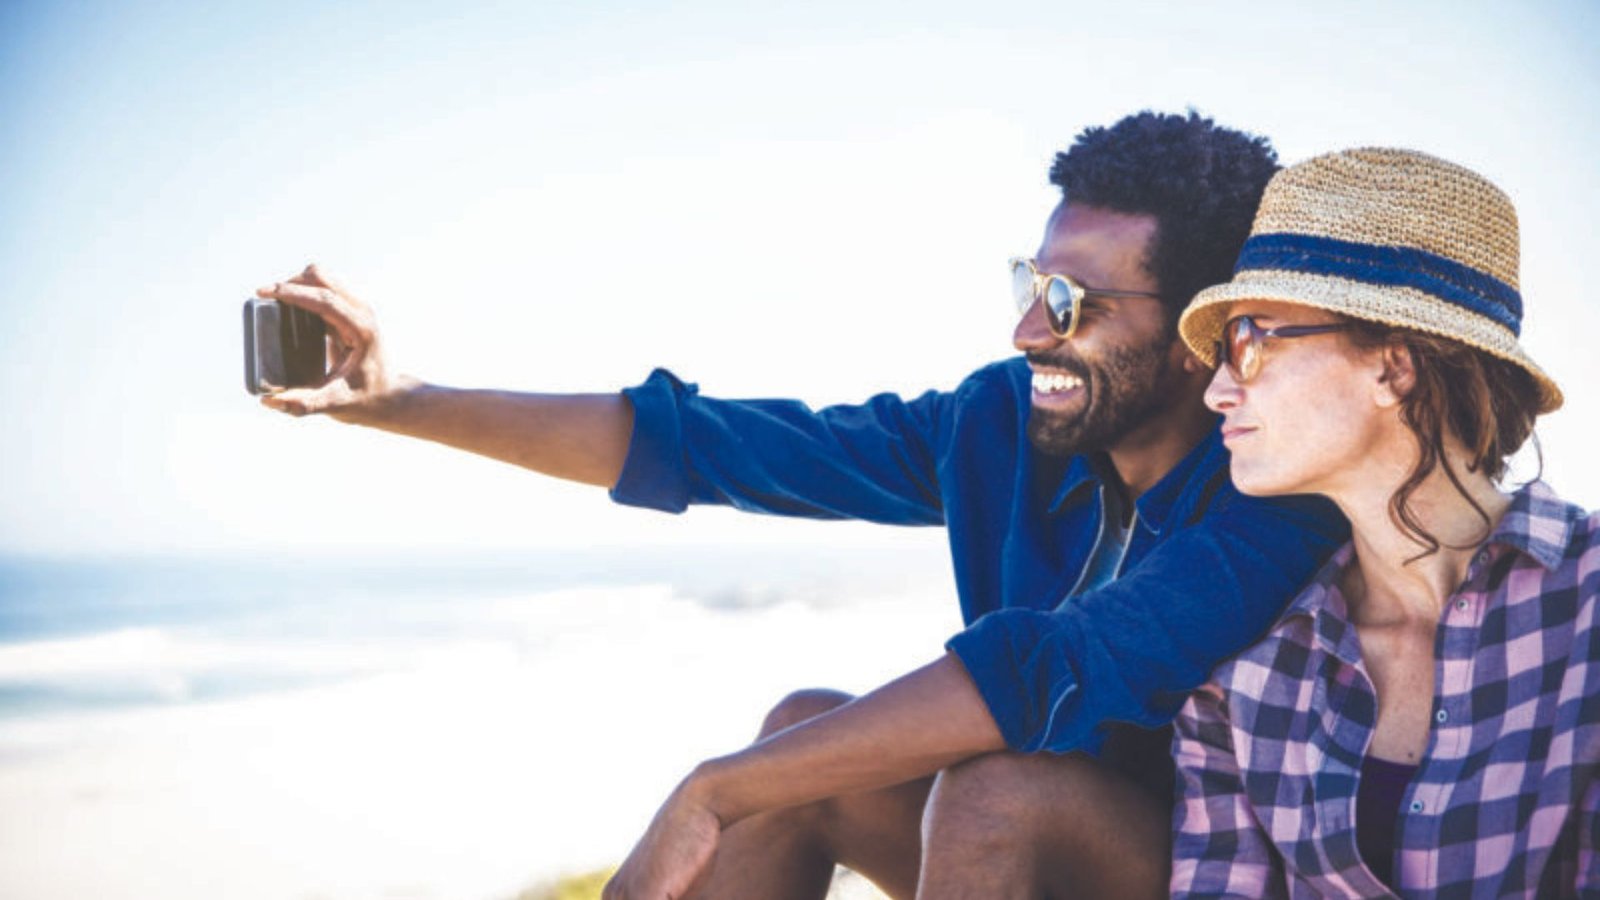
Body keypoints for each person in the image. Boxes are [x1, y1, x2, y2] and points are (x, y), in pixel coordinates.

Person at [254, 111, 1346, 899]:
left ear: (1203, 321)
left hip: (1206, 874)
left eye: (1071, 304)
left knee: (999, 789)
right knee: (802, 741)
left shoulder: (1277, 485)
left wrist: (709, 791)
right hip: (1020, 850)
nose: (1028, 332)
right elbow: (713, 448)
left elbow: (1052, 669)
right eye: (1030, 287)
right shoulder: (1000, 427)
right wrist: (400, 401)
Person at [1168, 147, 1597, 897]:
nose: (1216, 392)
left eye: (1247, 340)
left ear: (1392, 367)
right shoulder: (1244, 698)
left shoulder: (1589, 612)